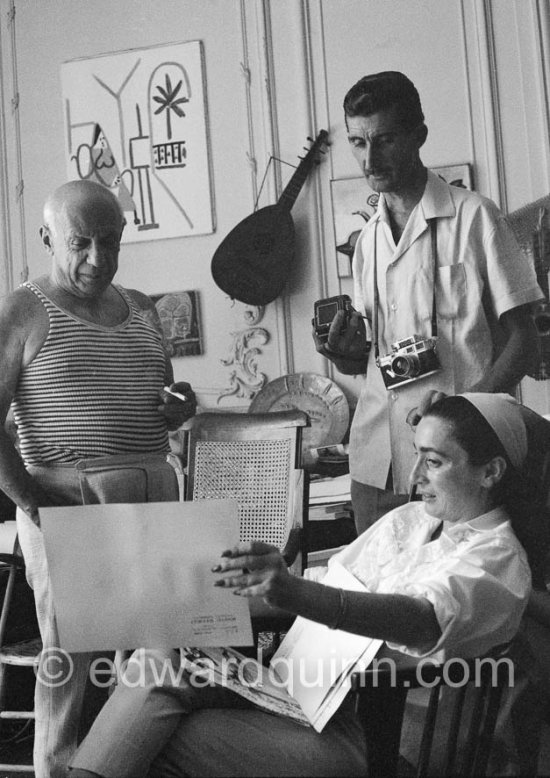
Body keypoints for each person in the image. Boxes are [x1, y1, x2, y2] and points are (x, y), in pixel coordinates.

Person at [69, 392, 534, 778]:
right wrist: (198, 593)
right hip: (301, 696)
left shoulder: (497, 561)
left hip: (376, 737)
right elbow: (326, 582)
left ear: (490, 472)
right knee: (159, 656)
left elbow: (419, 619)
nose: (413, 479)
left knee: (157, 738)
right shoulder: (409, 520)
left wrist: (290, 592)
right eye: (416, 457)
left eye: (433, 462)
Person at [0, 179, 197, 778]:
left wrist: (180, 402)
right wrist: (30, 501)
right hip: (68, 500)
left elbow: (165, 393)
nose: (97, 259)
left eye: (109, 243)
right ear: (47, 239)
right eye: (80, 243)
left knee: (155, 660)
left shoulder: (140, 306)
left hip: (152, 495)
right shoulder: (22, 309)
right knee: (68, 668)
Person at [313, 71, 542, 535]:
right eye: (358, 143)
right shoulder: (367, 243)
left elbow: (526, 342)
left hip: (458, 459)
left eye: (384, 140)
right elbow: (372, 359)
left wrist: (466, 413)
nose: (369, 159)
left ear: (419, 135)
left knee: (452, 598)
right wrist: (345, 352)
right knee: (374, 595)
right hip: (377, 461)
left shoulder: (475, 217)